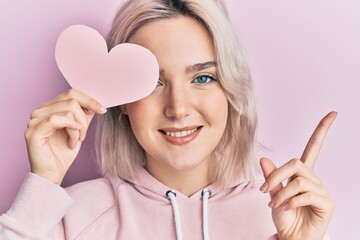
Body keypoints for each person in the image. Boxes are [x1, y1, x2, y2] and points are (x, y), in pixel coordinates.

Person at [0, 0, 335, 239]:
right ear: (122, 103)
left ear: (231, 92)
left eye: (203, 78)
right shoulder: (72, 216)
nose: (178, 108)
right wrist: (42, 183)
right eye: (153, 83)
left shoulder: (280, 215)